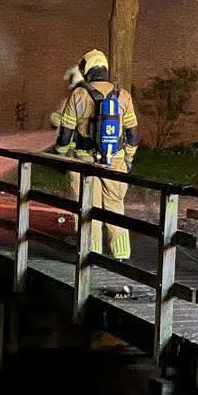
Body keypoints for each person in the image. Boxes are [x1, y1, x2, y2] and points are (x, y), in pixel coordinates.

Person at [52, 48, 140, 261]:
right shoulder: (123, 95)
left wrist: (61, 154)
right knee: (115, 208)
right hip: (115, 161)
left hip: (85, 163)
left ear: (86, 70)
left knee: (88, 210)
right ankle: (121, 254)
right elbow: (133, 134)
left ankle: (91, 254)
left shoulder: (78, 95)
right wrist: (128, 158)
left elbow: (66, 133)